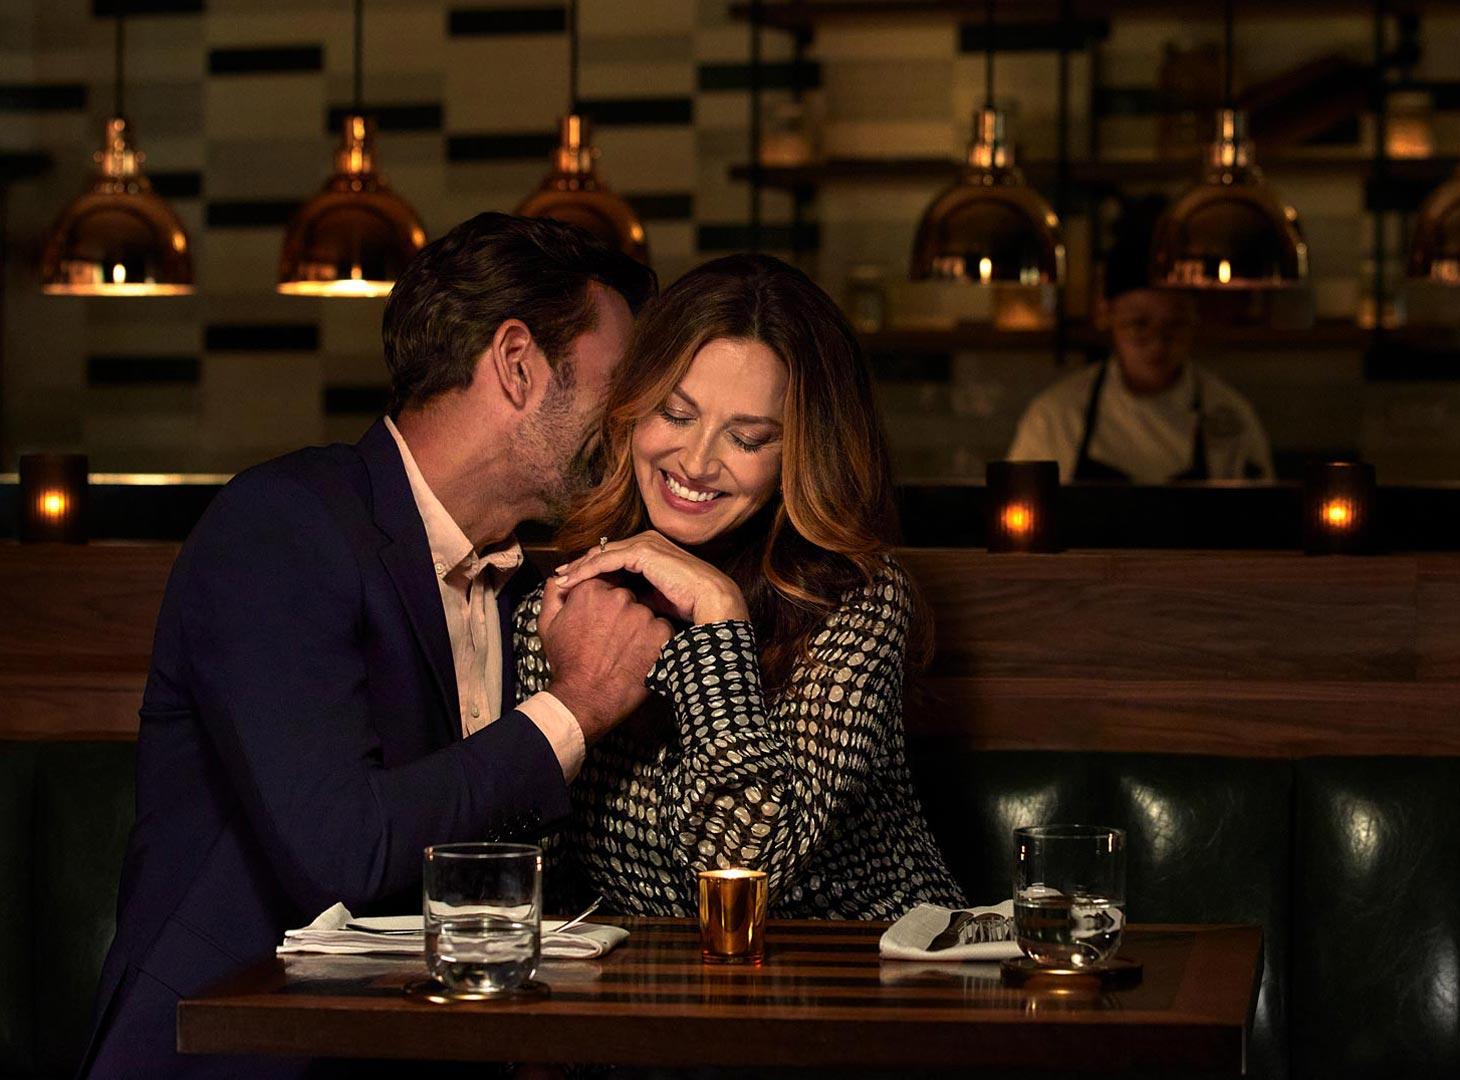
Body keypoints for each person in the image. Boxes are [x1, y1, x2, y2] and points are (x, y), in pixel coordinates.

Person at [81, 213, 665, 1078]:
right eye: (617, 387)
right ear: (516, 364)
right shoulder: (282, 526)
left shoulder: (538, 590)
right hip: (235, 1054)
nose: (632, 423)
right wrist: (574, 709)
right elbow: (339, 851)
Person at [514, 254, 967, 920]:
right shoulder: (568, 602)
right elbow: (532, 871)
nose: (696, 462)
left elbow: (739, 870)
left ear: (799, 453)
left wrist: (719, 619)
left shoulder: (861, 602)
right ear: (631, 408)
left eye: (746, 437)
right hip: (657, 995)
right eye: (674, 414)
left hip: (864, 977)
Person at [1006, 203, 1275, 484]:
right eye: (1139, 325)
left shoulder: (1230, 420)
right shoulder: (1056, 418)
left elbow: (1260, 520)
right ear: (1107, 315)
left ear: (1195, 319)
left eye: (1174, 326)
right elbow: (1018, 509)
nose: (1157, 343)